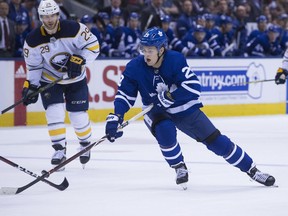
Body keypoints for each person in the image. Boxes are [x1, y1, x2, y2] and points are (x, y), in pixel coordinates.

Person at [104, 27, 276, 189]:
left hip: (183, 108)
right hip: (155, 110)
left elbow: (193, 87)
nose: (146, 54)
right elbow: (124, 95)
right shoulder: (134, 67)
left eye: (150, 50)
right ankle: (179, 166)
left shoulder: (175, 59)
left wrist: (170, 96)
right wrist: (116, 116)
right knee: (165, 131)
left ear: (161, 49)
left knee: (218, 143)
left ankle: (252, 170)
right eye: (144, 49)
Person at [21, 0, 100, 170]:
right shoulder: (33, 40)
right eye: (45, 16)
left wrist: (81, 60)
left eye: (52, 15)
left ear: (58, 15)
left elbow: (93, 46)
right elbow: (34, 67)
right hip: (50, 81)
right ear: (40, 17)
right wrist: (31, 86)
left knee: (77, 116)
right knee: (54, 113)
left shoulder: (75, 29)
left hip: (75, 79)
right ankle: (59, 150)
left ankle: (85, 144)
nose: (49, 20)